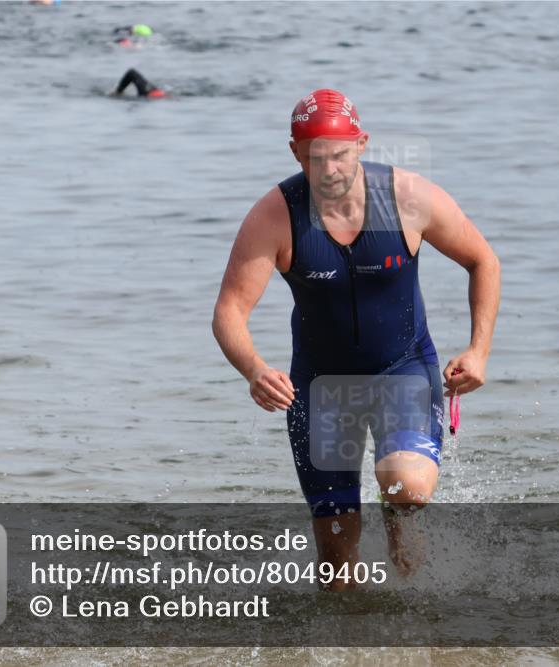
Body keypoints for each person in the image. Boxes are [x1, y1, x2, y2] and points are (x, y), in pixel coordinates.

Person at [212, 89, 500, 590]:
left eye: (341, 154)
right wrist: (255, 368)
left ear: (362, 144)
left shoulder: (408, 198)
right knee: (336, 564)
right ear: (295, 152)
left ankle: (400, 522)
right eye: (316, 158)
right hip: (320, 389)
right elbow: (229, 311)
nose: (330, 170)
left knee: (405, 486)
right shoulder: (274, 217)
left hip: (403, 369)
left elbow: (484, 261)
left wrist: (479, 350)